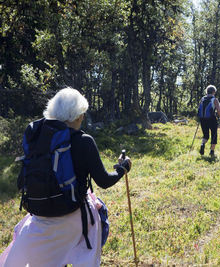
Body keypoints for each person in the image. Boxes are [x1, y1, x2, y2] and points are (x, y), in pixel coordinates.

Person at [0, 87, 132, 267]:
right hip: (72, 213)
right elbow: (104, 181)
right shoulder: (84, 140)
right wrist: (122, 168)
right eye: (82, 113)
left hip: (40, 214)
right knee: (101, 212)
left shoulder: (39, 137)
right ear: (77, 115)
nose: (83, 117)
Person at [198, 85, 220, 156]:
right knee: (214, 134)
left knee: (205, 135)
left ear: (207, 91)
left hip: (203, 119)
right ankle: (212, 151)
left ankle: (203, 144)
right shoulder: (215, 99)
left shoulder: (202, 99)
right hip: (212, 119)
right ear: (214, 92)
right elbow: (218, 110)